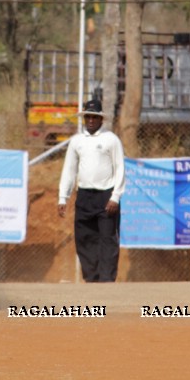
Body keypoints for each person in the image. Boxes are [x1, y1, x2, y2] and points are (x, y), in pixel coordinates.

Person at [57, 99, 126, 282]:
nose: (91, 120)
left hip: (106, 196)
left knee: (107, 239)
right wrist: (63, 197)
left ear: (101, 119)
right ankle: (92, 278)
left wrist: (116, 196)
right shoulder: (77, 141)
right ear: (84, 118)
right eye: (88, 116)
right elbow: (69, 170)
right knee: (84, 238)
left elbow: (120, 168)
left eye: (94, 117)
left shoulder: (111, 140)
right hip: (84, 196)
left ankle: (106, 280)